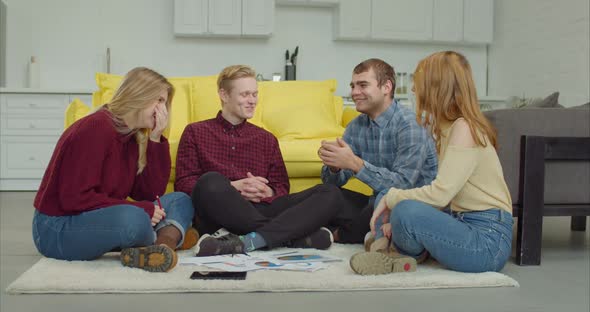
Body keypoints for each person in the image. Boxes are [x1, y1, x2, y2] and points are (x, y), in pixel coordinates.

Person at [350, 51, 514, 275]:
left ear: (439, 87)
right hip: (461, 221)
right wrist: (392, 202)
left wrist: (393, 201)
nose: (415, 90)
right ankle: (396, 254)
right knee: (394, 200)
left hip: (487, 242)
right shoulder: (448, 129)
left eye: (419, 83)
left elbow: (440, 194)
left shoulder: (464, 128)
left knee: (402, 207)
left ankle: (389, 251)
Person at [33, 67, 196, 273]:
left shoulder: (132, 135)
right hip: (56, 228)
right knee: (134, 219)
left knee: (180, 199)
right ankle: (170, 237)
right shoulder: (96, 128)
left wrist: (155, 138)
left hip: (97, 216)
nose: (163, 110)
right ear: (139, 95)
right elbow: (74, 199)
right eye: (160, 101)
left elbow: (147, 194)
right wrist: (143, 210)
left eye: (165, 103)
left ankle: (160, 247)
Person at [175, 65, 344, 256]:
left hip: (261, 208)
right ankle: (291, 236)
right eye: (245, 94)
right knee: (210, 181)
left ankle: (253, 240)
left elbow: (281, 186)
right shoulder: (195, 132)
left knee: (330, 192)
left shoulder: (266, 138)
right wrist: (234, 187)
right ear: (224, 94)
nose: (252, 101)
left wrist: (268, 190)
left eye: (254, 94)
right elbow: (184, 184)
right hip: (218, 212)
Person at [319, 58, 437, 246]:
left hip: (411, 206)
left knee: (382, 204)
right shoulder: (356, 126)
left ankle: (337, 235)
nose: (354, 93)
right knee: (326, 194)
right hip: (376, 203)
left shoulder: (411, 124)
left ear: (386, 87)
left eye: (363, 85)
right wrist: (334, 166)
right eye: (353, 86)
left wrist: (355, 163)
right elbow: (334, 182)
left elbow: (402, 185)